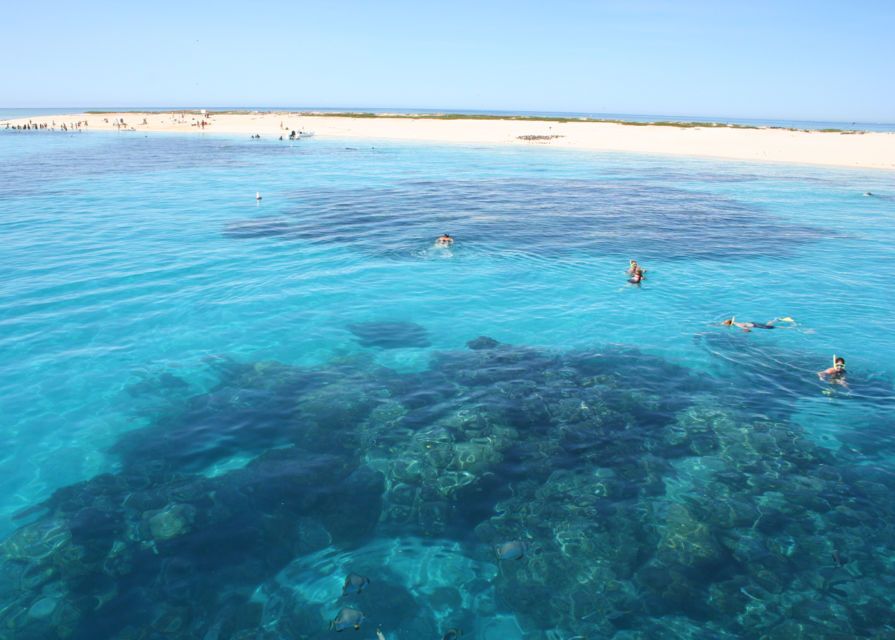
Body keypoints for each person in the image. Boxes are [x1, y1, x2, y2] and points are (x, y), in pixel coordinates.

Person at [721, 316, 795, 332]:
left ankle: (788, 327)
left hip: (755, 325)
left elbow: (748, 329)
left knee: (772, 327)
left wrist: (743, 331)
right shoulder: (736, 322)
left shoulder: (738, 325)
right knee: (768, 324)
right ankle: (776, 319)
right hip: (753, 323)